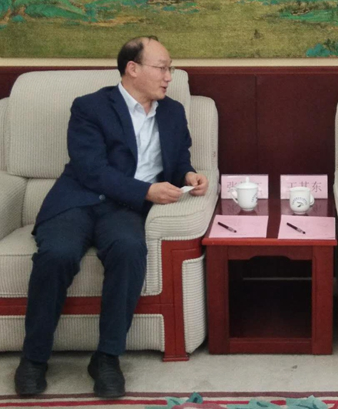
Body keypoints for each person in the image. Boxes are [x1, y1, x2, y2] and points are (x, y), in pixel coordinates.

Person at [14, 36, 209, 398]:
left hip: (124, 209)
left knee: (129, 250)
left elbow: (179, 159)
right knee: (57, 254)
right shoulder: (90, 107)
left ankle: (106, 358)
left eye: (170, 68)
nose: (169, 76)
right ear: (132, 69)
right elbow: (91, 170)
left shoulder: (173, 112)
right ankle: (34, 357)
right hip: (78, 200)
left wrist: (188, 175)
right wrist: (146, 191)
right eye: (162, 67)